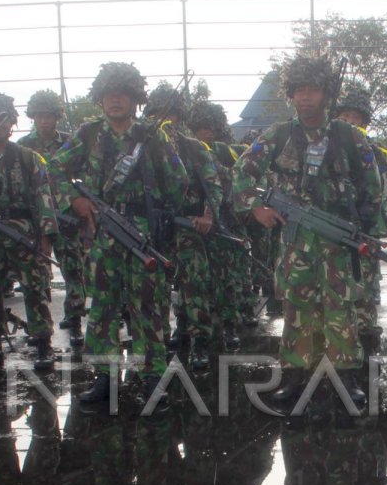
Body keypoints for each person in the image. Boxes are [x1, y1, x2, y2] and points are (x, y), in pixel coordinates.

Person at [231, 53, 385, 411]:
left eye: (312, 90)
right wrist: (257, 207)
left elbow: (372, 188)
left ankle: (344, 375)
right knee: (297, 306)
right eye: (299, 90)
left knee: (340, 306)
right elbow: (241, 173)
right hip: (296, 241)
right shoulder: (279, 135)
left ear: (326, 94)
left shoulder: (349, 137)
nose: (305, 97)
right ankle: (297, 376)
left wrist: (364, 231)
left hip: (337, 239)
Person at [48, 62, 188, 413]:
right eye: (109, 94)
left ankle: (153, 378)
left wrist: (156, 201)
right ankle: (105, 379)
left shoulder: (153, 135)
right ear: (100, 98)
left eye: (122, 94)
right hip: (103, 232)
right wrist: (75, 200)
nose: (115, 100)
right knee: (105, 308)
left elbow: (178, 180)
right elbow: (53, 169)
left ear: (135, 98)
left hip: (141, 232)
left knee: (149, 308)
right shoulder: (89, 134)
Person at [0, 91, 58, 373]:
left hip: (24, 235)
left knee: (35, 290)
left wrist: (46, 239)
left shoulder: (28, 157)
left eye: (3, 119)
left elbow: (43, 198)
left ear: (12, 122)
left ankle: (44, 344)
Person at [143, 83, 224, 371]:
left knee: (194, 283)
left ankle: (200, 339)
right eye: (156, 114)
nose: (165, 121)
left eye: (172, 116)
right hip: (155, 228)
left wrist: (207, 216)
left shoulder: (194, 149)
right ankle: (164, 338)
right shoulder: (142, 146)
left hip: (188, 226)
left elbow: (214, 186)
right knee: (157, 288)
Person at [334, 82, 387, 353]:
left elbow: (381, 189)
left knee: (364, 287)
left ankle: (365, 343)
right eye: (344, 117)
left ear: (365, 121)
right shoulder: (325, 146)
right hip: (332, 229)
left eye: (356, 118)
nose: (350, 122)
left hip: (366, 228)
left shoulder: (375, 152)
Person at [17, 88, 88, 346]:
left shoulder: (69, 142)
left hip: (67, 214)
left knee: (73, 268)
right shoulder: (23, 147)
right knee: (37, 273)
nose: (45, 120)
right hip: (37, 218)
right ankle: (39, 323)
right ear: (33, 117)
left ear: (57, 117)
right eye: (39, 116)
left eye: (49, 116)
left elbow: (81, 174)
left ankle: (76, 318)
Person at [189, 99, 257, 335]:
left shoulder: (224, 151)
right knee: (197, 277)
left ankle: (235, 318)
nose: (205, 133)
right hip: (198, 221)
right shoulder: (187, 151)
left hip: (228, 220)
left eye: (209, 128)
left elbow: (239, 178)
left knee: (233, 272)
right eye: (200, 128)